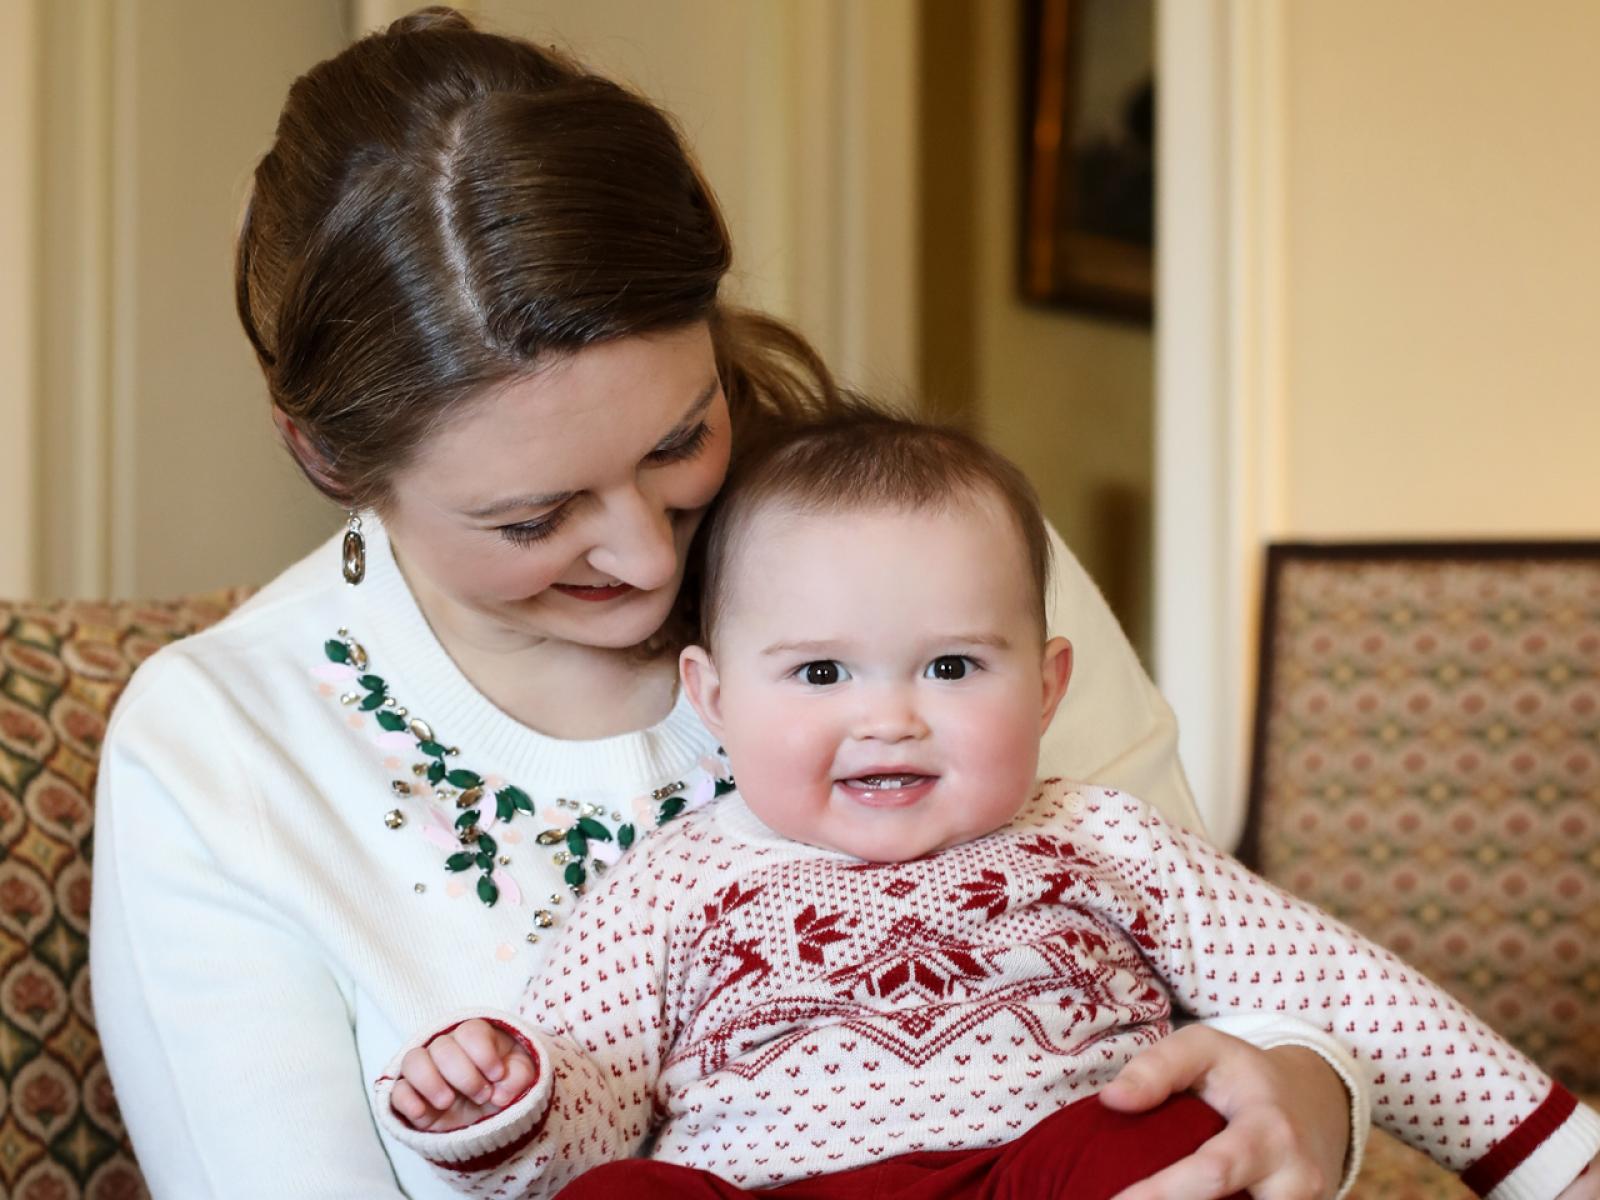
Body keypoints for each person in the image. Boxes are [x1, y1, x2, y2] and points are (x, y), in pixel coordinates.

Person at [94, 10, 1363, 1199]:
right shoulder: (223, 746)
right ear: (327, 460)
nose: (647, 563)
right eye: (533, 520)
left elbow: (1220, 976)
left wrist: (1314, 1095)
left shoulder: (933, 552)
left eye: (679, 442)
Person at [371, 411, 1600, 1200]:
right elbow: (595, 1097)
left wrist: (1555, 1158)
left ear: (1049, 684)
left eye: (952, 666)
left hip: (1047, 1176)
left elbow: (1332, 988)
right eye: (817, 673)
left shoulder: (1094, 837)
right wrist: (508, 1099)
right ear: (713, 697)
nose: (889, 716)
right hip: (769, 1193)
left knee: (1176, 1133)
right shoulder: (677, 881)